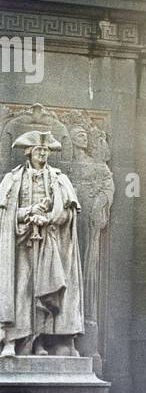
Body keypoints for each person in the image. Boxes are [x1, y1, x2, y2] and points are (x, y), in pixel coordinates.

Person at [0, 130, 85, 357]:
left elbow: (68, 212)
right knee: (21, 290)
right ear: (29, 152)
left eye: (46, 150)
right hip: (21, 245)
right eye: (39, 150)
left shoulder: (59, 179)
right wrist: (29, 212)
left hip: (50, 244)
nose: (43, 154)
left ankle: (40, 343)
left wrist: (46, 218)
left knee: (45, 290)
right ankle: (11, 341)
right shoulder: (13, 179)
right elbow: (6, 213)